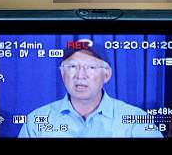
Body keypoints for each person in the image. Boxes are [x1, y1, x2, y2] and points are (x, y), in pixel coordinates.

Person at [18, 46, 163, 138]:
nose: (81, 75)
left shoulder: (136, 120)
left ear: (106, 75)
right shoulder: (36, 120)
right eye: (73, 66)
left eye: (91, 67)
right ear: (62, 74)